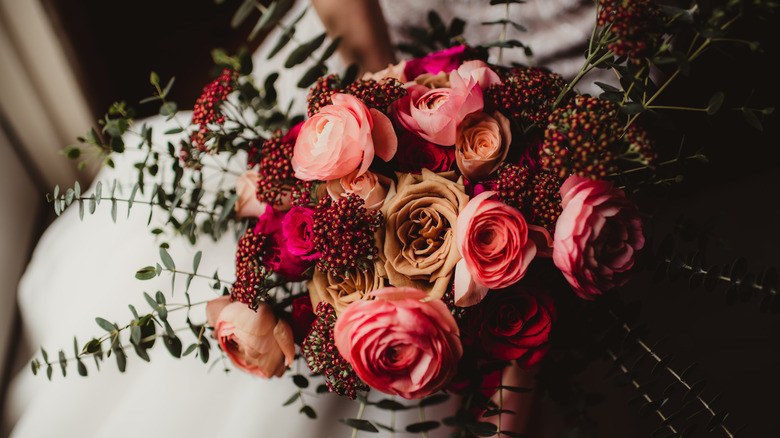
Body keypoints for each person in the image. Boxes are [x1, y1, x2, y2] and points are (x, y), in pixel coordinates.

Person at [3, 1, 608, 437]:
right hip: (363, 52)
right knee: (207, 233)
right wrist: (374, 106)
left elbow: (612, 124)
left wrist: (521, 291)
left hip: (541, 115)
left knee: (417, 356)